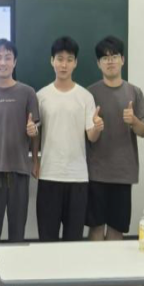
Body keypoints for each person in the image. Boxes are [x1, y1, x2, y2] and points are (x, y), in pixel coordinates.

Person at [0, 39, 39, 286]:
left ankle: (14, 277)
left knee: (17, 228)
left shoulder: (28, 93)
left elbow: (34, 130)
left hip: (19, 169)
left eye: (7, 57)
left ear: (15, 62)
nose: (2, 62)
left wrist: (35, 160)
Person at [36, 36, 101, 242]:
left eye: (69, 59)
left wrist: (98, 127)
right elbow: (35, 135)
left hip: (77, 177)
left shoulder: (85, 96)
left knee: (73, 241)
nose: (64, 65)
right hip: (49, 175)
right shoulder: (41, 96)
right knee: (47, 239)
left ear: (76, 63)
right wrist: (35, 161)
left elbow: (91, 136)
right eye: (60, 59)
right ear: (52, 61)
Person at [86, 36, 144, 242]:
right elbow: (86, 134)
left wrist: (134, 121)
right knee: (95, 229)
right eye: (105, 58)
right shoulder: (90, 93)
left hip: (123, 173)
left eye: (114, 56)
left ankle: (113, 265)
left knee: (116, 230)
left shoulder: (134, 92)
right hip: (96, 173)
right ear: (98, 63)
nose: (110, 61)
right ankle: (96, 265)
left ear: (123, 59)